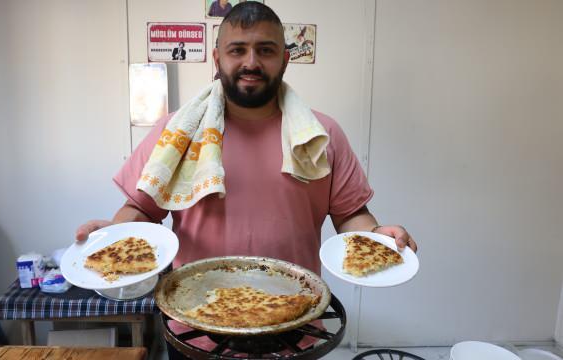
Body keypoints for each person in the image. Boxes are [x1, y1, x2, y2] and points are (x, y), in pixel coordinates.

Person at [76, 2, 417, 358]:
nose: (251, 62)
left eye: (265, 50)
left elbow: (350, 214)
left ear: (285, 59)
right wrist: (115, 239)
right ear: (217, 57)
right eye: (237, 50)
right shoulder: (176, 133)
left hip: (291, 327)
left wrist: (376, 238)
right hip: (195, 327)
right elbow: (141, 209)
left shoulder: (320, 135)